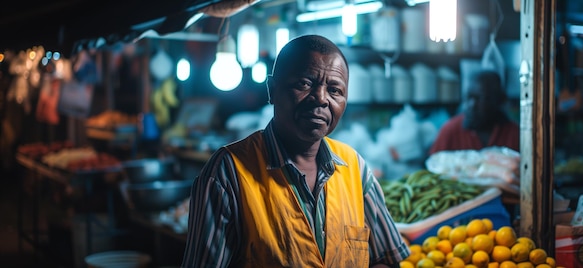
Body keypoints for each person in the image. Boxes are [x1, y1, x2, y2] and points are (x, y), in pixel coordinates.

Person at [181, 35, 410, 267]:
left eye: (335, 90)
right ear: (272, 89)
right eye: (304, 84)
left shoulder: (355, 167)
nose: (320, 99)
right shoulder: (227, 172)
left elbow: (387, 258)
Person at [429, 70, 520, 155]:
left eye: (480, 98)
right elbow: (432, 167)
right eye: (469, 97)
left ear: (499, 100)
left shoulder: (515, 134)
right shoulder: (450, 131)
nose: (471, 105)